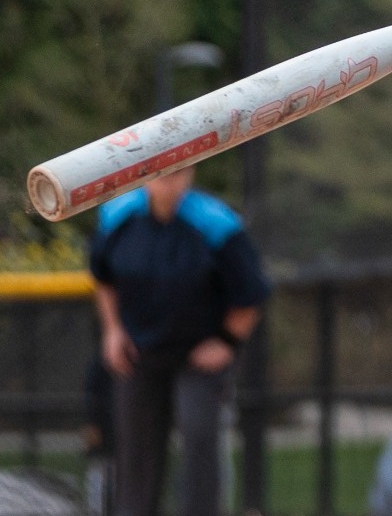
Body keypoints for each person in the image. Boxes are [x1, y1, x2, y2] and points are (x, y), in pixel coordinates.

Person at [90, 168, 269, 516]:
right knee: (137, 446)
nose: (166, 180)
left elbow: (251, 292)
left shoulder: (215, 223)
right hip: (139, 350)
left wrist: (226, 341)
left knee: (198, 431)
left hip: (196, 353)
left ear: (190, 173)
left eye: (175, 171)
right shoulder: (119, 216)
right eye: (156, 171)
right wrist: (112, 330)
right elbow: (103, 276)